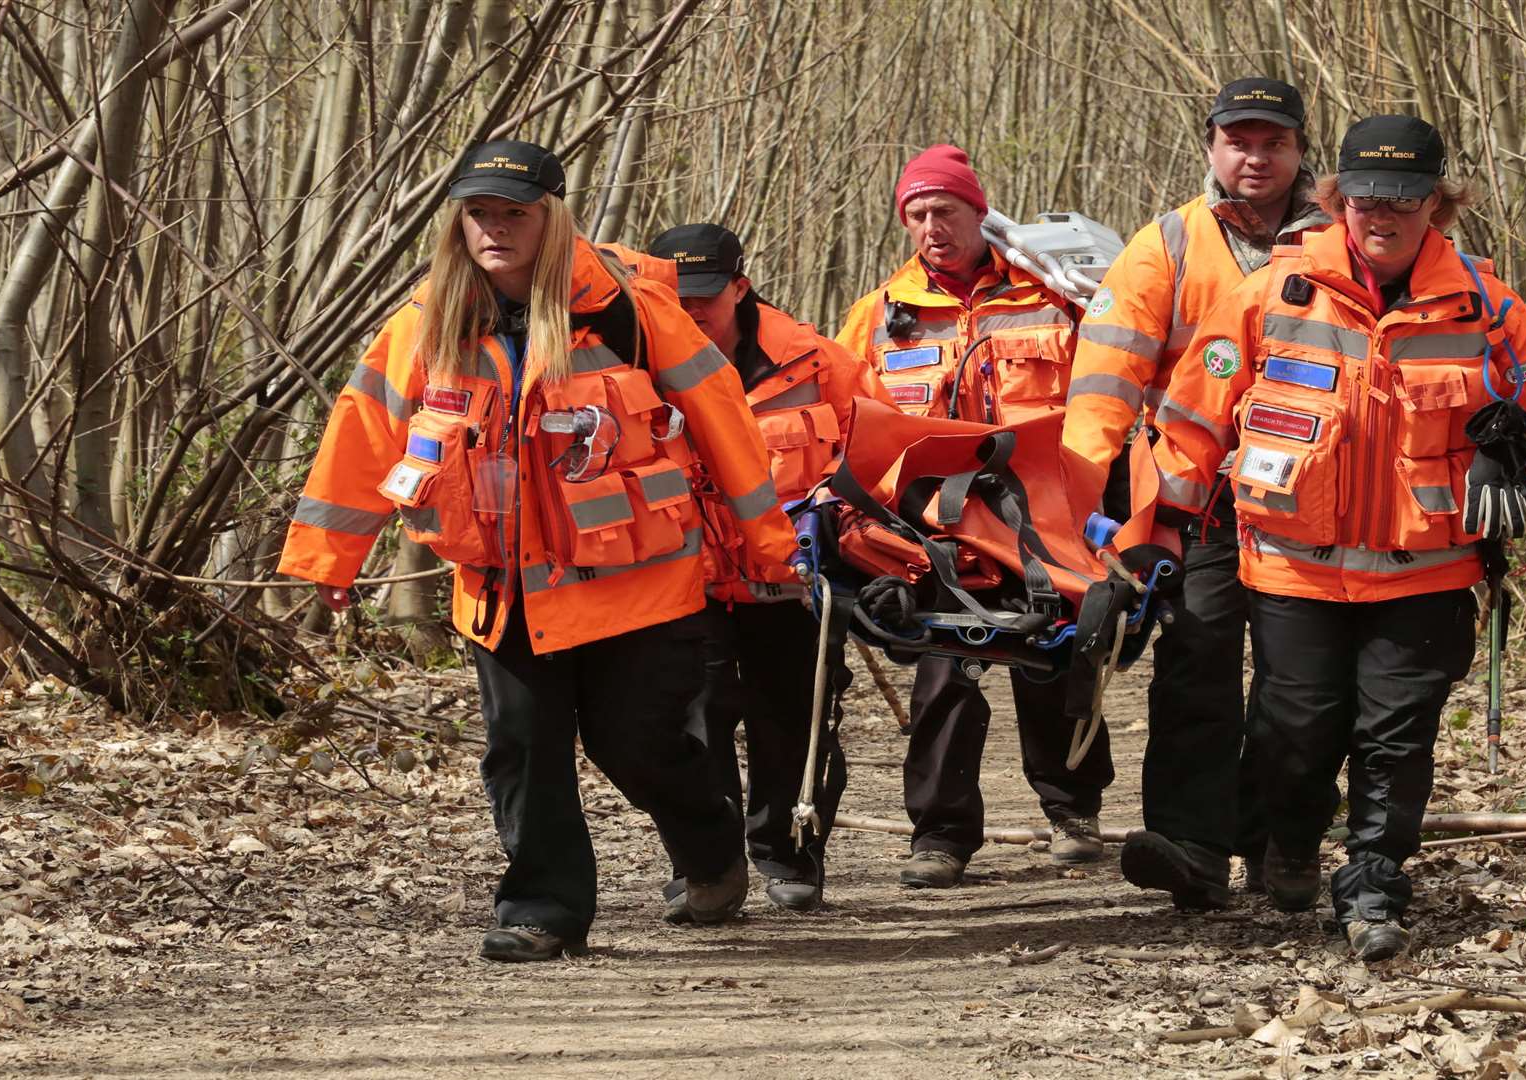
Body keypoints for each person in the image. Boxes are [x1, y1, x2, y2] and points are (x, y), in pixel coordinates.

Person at [276, 140, 797, 961]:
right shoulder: (424, 325)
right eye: (478, 213)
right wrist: (326, 560)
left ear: (551, 218)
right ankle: (541, 909)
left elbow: (724, 425)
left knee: (639, 744)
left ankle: (709, 851)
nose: (493, 229)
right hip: (504, 586)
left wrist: (769, 551)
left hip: (640, 582)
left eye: (513, 213)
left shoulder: (634, 313)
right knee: (523, 747)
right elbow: (363, 435)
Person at [1152, 115, 1526, 960]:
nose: (1381, 215)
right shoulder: (1270, 297)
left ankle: (1373, 881)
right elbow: (1188, 427)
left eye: (1403, 198)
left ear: (1437, 202)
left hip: (1426, 572)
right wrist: (1156, 536)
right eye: (1364, 198)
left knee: (1396, 736)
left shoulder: (1492, 310)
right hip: (1294, 571)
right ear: (1336, 199)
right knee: (1294, 733)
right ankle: (1289, 844)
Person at [1060, 76, 1329, 910]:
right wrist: (1075, 508)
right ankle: (1192, 846)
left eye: (1273, 142)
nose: (1256, 157)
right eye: (1239, 140)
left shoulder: (1341, 242)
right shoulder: (1167, 244)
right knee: (1194, 668)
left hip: (1314, 502)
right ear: (1211, 145)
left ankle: (1286, 845)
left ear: (1299, 151)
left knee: (1300, 688)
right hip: (1194, 498)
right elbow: (1105, 374)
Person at [835, 144, 1114, 887]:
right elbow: (846, 420)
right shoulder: (877, 315)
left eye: (946, 210)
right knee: (944, 666)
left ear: (978, 212)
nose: (932, 226)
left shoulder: (1050, 292)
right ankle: (941, 835)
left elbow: (1110, 389)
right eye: (918, 214)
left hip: (1041, 511)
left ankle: (1073, 811)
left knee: (1053, 654)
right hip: (930, 525)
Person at [646, 223, 892, 915]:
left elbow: (881, 453)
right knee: (692, 720)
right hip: (679, 582)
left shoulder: (816, 362)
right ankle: (706, 862)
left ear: (740, 286)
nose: (690, 310)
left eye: (704, 295)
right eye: (674, 297)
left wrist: (852, 529)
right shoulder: (627, 363)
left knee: (795, 719)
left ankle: (790, 851)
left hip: (794, 584)